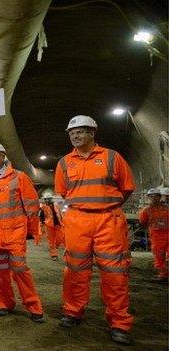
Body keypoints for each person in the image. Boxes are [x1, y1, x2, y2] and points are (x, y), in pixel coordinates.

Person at [54, 115, 136, 345]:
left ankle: (119, 322)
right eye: (72, 133)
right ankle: (73, 311)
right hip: (77, 221)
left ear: (92, 133)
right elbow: (63, 192)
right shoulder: (64, 163)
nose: (75, 136)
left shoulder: (112, 157)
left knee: (115, 273)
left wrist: (105, 204)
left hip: (108, 220)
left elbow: (127, 187)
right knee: (75, 270)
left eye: (80, 131)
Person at [0, 142, 45, 323]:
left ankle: (33, 305)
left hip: (14, 234)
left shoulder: (19, 177)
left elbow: (32, 207)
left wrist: (33, 231)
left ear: (3, 156)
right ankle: (4, 302)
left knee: (20, 270)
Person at [138, 188, 169, 282]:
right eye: (151, 196)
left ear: (160, 197)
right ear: (148, 198)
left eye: (155, 196)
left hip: (168, 234)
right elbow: (142, 221)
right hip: (156, 236)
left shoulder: (167, 208)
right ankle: (163, 275)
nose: (153, 198)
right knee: (159, 256)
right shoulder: (146, 211)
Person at [39, 194, 64, 260]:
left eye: (48, 199)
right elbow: (41, 215)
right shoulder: (44, 207)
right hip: (49, 225)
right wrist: (42, 222)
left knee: (60, 238)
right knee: (51, 241)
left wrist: (62, 221)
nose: (47, 200)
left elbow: (59, 213)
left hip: (58, 224)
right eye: (46, 199)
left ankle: (55, 247)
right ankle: (54, 255)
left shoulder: (56, 205)